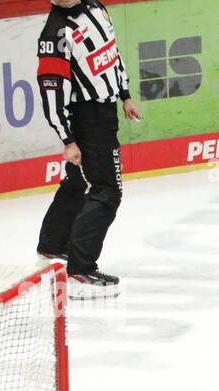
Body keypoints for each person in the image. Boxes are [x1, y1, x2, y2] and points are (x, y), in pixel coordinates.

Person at [35, 0, 139, 297]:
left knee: (79, 180)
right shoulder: (54, 35)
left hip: (106, 110)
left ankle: (52, 243)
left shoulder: (95, 6)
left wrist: (125, 96)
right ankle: (81, 269)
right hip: (87, 118)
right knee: (107, 191)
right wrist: (67, 139)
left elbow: (112, 54)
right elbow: (51, 93)